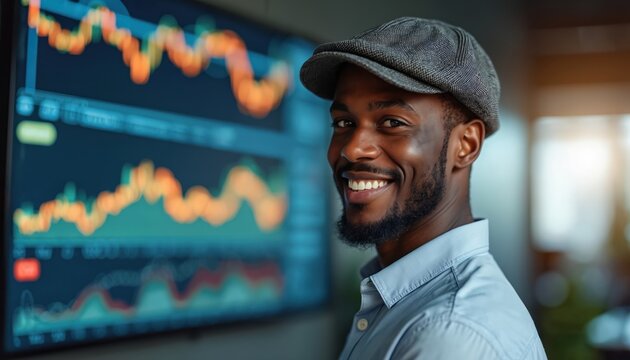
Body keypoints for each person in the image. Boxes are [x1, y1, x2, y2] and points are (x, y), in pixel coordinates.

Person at [300, 17, 547, 359]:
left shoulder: (449, 336)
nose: (352, 148)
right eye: (344, 123)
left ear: (466, 145)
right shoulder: (405, 301)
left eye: (392, 122)